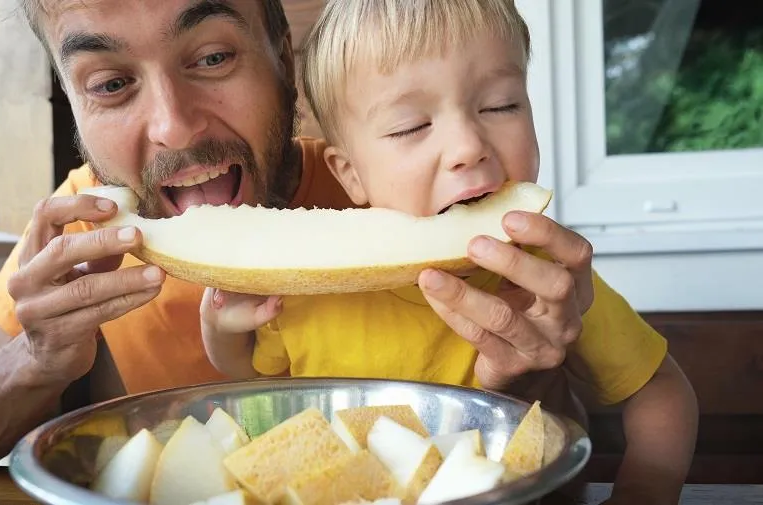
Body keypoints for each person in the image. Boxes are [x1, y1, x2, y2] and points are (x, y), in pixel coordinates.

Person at [0, 1, 693, 500]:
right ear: (72, 103)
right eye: (110, 83)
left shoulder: (400, 185)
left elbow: (525, 451)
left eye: (211, 56)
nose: (173, 124)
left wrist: (542, 366)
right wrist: (36, 360)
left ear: (280, 49)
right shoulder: (83, 233)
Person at [197, 1, 698, 503]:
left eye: (501, 105)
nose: (467, 146)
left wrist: (643, 491)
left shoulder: (548, 277)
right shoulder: (309, 284)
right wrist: (220, 327)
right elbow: (252, 377)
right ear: (349, 173)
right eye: (410, 127)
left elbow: (662, 394)